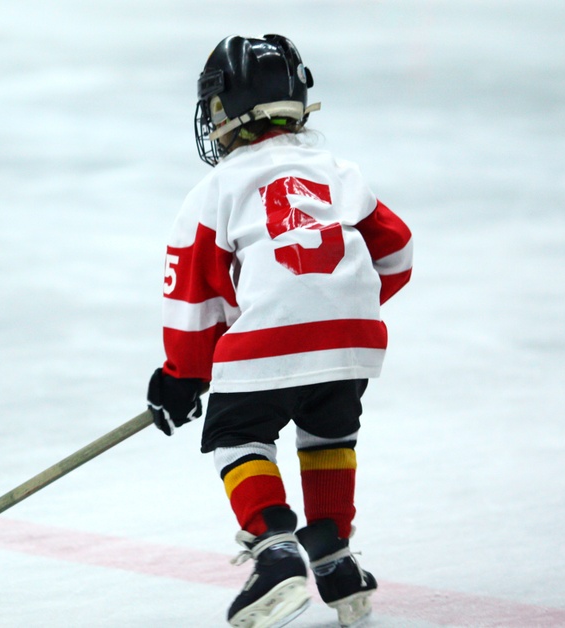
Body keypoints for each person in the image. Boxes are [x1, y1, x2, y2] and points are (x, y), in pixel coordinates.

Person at [145, 34, 413, 628]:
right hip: (351, 341)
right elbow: (397, 252)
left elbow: (193, 297)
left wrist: (181, 376)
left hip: (268, 344)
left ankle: (275, 554)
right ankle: (336, 561)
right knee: (328, 434)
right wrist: (342, 302)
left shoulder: (215, 190)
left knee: (238, 440)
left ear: (222, 111)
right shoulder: (341, 171)